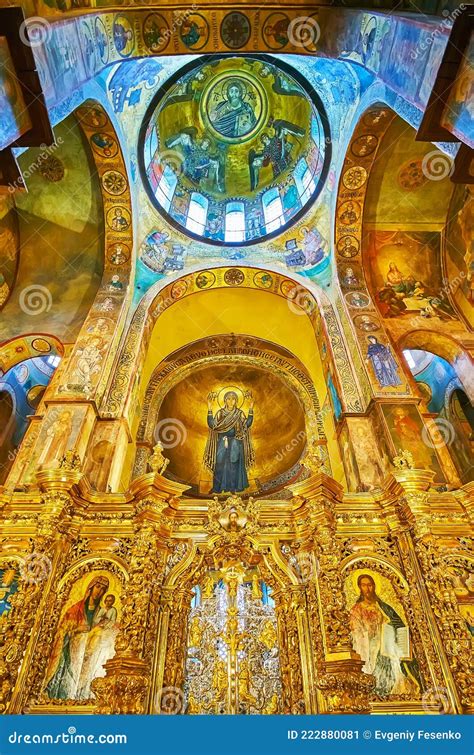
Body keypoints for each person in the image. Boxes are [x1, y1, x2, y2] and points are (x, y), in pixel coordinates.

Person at [350, 574, 422, 696]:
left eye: (370, 585)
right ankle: (378, 694)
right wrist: (371, 633)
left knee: (394, 669)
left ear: (374, 586)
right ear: (359, 587)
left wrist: (390, 629)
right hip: (370, 647)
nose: (367, 589)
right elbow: (356, 632)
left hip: (389, 645)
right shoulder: (356, 609)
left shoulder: (383, 607)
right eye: (364, 585)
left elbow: (398, 624)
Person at [45, 575, 109, 700]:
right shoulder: (74, 609)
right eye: (98, 587)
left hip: (88, 656)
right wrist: (76, 631)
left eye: (103, 589)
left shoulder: (102, 613)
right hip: (68, 655)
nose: (99, 591)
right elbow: (61, 632)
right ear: (90, 587)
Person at [204, 391, 255, 493]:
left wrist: (250, 408)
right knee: (219, 462)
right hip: (222, 441)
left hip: (236, 441)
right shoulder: (220, 413)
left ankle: (233, 487)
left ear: (236, 401)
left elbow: (247, 424)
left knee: (234, 463)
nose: (231, 401)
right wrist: (209, 407)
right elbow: (212, 425)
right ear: (225, 400)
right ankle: (217, 488)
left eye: (233, 399)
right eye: (228, 398)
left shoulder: (239, 413)